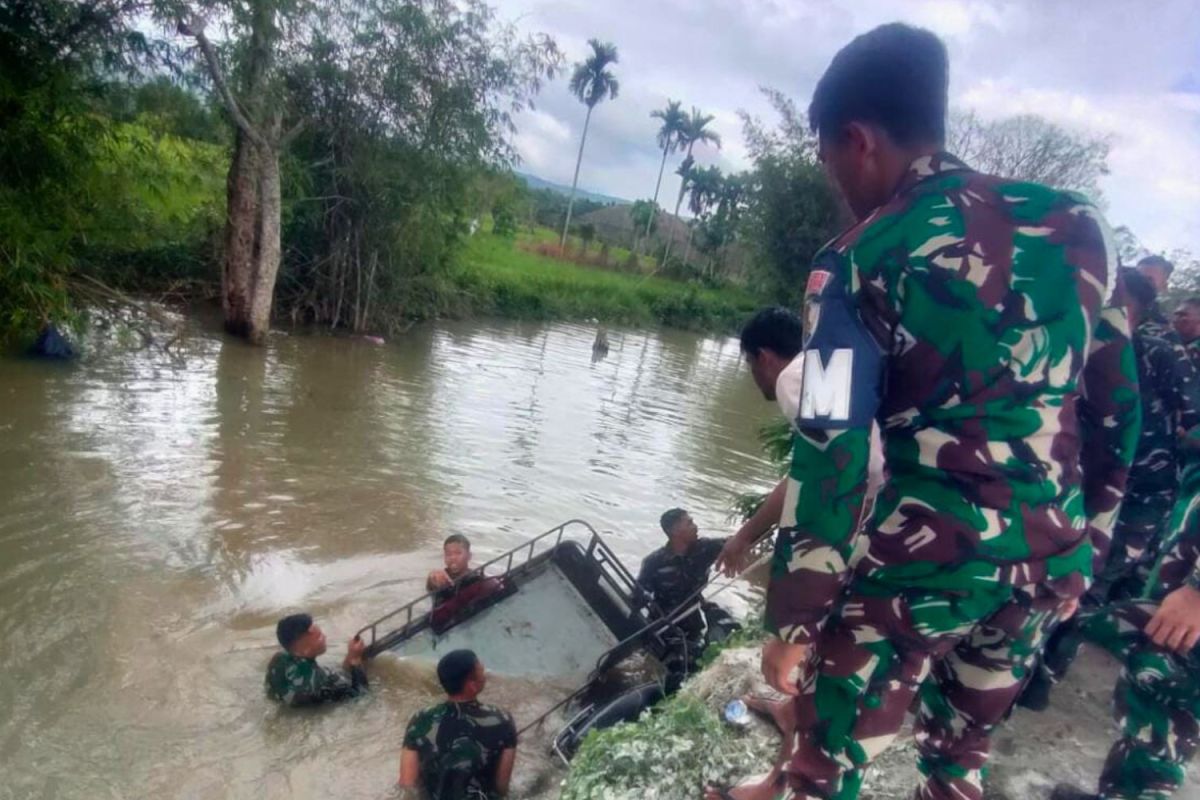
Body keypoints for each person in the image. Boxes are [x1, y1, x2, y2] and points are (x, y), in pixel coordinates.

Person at [714, 23, 1138, 800]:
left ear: (858, 139)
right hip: (1050, 559)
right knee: (959, 756)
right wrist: (1089, 547)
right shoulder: (1080, 230)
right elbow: (1117, 416)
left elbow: (833, 449)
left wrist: (792, 627)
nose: (835, 178)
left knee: (825, 760)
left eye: (829, 158)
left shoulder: (857, 259)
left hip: (927, 554)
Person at [1020, 269, 1200, 709]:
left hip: (1143, 495)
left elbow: (1192, 414)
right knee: (1057, 574)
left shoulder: (1156, 348)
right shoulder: (1080, 341)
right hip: (1093, 480)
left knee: (1093, 582)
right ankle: (1025, 672)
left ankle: (1040, 679)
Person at [399, 649, 517, 800]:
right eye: (481, 672)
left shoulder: (420, 719)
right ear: (471, 685)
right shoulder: (502, 720)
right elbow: (501, 787)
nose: (485, 675)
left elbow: (407, 783)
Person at [638, 509, 737, 653]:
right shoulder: (653, 562)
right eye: (689, 523)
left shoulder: (704, 549)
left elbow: (735, 542)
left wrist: (768, 520)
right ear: (674, 531)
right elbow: (638, 597)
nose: (695, 526)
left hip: (692, 626)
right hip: (661, 627)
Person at [264, 613, 369, 707]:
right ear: (305, 650)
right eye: (319, 637)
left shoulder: (279, 658)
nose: (325, 637)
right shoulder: (318, 683)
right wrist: (356, 660)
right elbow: (360, 696)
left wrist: (350, 657)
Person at [427, 534, 480, 600]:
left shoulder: (477, 578)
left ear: (469, 556)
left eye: (458, 553)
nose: (453, 558)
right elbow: (431, 589)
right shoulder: (440, 578)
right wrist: (431, 580)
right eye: (448, 554)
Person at [1136, 255, 1174, 338]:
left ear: (1164, 286)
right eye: (1138, 277)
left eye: (1149, 279)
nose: (1141, 283)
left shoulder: (1163, 331)